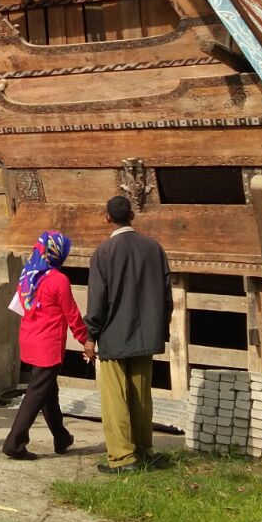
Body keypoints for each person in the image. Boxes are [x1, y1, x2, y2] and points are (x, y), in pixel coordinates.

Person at [85, 195, 171, 473]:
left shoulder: (104, 252)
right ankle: (144, 449)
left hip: (114, 335)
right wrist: (160, 327)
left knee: (115, 400)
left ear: (107, 217)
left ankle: (122, 458)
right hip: (146, 335)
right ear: (132, 216)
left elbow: (97, 299)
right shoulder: (154, 249)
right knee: (141, 396)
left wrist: (90, 335)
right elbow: (166, 296)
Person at [2, 230, 94, 460]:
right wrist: (86, 340)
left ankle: (61, 437)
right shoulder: (58, 280)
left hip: (29, 339)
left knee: (48, 392)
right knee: (36, 393)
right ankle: (14, 443)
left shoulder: (27, 276)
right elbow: (72, 315)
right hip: (47, 345)